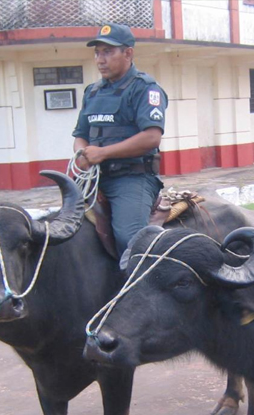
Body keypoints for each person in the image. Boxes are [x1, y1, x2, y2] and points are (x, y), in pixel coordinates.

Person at [72, 23, 168, 256]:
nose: (100, 59)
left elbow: (151, 137)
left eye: (108, 52)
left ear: (128, 53)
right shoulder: (92, 92)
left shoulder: (145, 89)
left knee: (131, 239)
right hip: (94, 180)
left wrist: (103, 153)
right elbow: (80, 135)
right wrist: (81, 155)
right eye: (97, 52)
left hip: (131, 179)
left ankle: (141, 288)